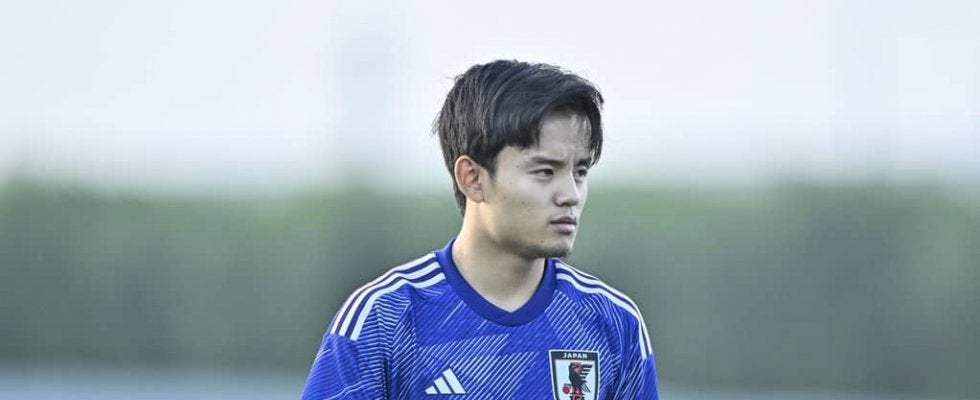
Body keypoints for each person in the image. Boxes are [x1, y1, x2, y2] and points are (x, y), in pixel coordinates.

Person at [301, 60, 658, 399]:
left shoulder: (613, 322)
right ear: (472, 178)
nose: (571, 195)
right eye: (545, 172)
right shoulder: (384, 317)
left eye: (580, 172)